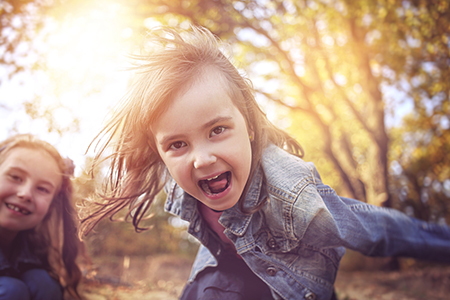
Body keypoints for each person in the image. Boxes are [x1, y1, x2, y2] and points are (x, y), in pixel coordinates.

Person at [79, 26, 450, 300]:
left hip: (290, 288)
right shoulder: (179, 175)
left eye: (218, 130)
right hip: (223, 277)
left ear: (250, 126)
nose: (202, 159)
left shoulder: (293, 196)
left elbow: (376, 229)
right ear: (160, 151)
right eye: (177, 144)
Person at [0, 134, 82, 300]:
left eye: (43, 189)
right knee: (12, 290)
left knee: (43, 283)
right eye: (15, 177)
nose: (25, 194)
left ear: (51, 206)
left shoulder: (37, 247)